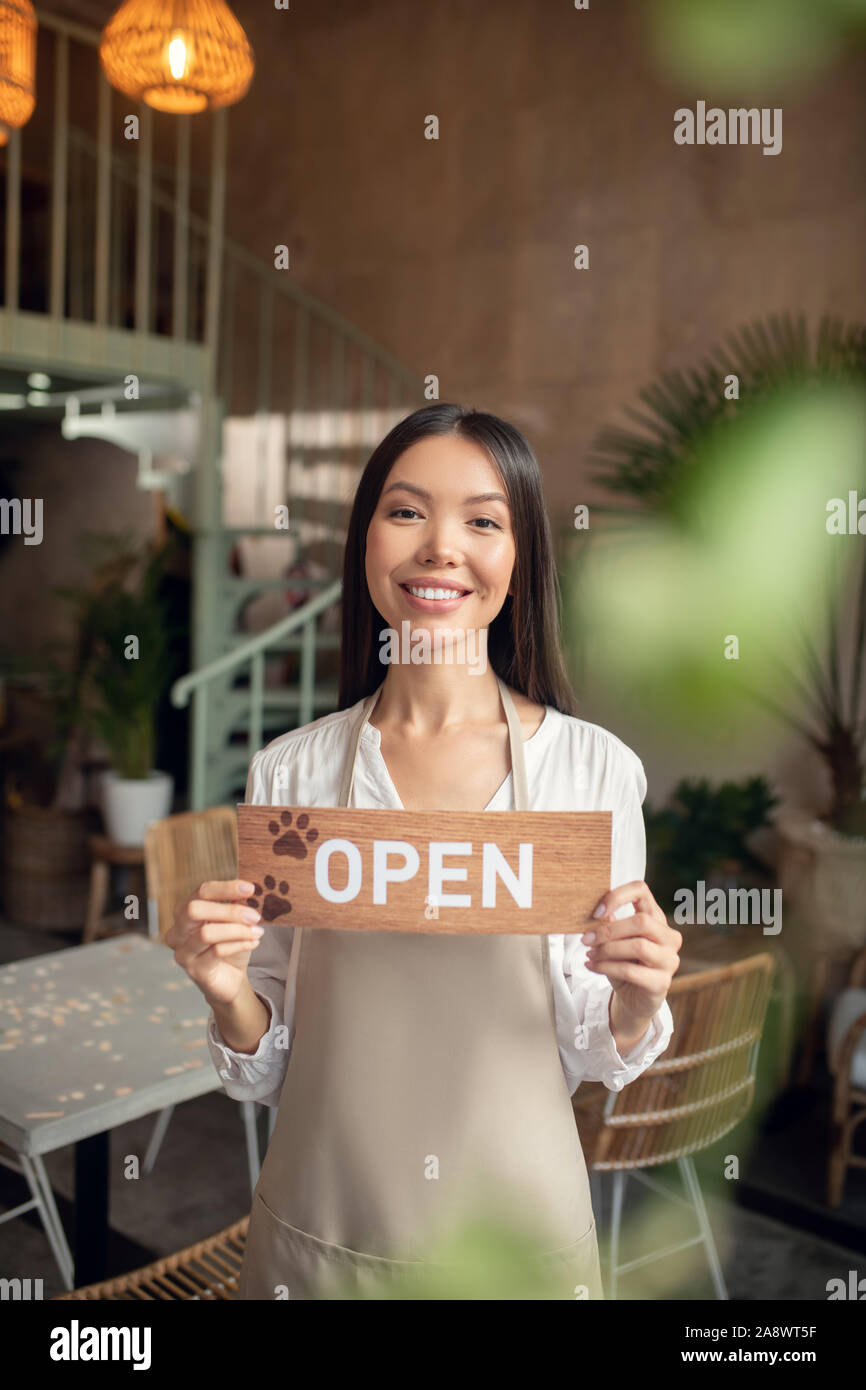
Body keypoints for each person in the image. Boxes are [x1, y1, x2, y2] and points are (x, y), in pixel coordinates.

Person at [167, 402, 681, 1300]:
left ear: (518, 562)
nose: (441, 547)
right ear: (365, 539)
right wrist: (226, 992)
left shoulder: (593, 770)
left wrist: (637, 999)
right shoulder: (291, 772)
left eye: (483, 521)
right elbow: (269, 1060)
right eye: (407, 511)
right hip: (321, 1238)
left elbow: (599, 1045)